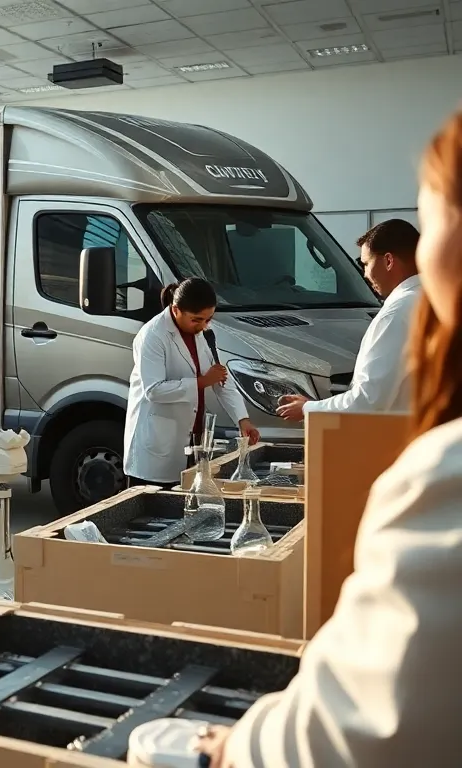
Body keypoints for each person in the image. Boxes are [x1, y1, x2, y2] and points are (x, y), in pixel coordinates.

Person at [197, 108, 462, 768]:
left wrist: (237, 745)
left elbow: (370, 718)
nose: (366, 273)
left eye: (435, 222)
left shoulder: (443, 480)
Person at [276, 219, 422, 421]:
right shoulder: (431, 302)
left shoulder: (396, 313)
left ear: (388, 261)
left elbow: (369, 399)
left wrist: (309, 408)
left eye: (366, 264)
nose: (365, 274)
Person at [123, 277, 258, 488]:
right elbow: (154, 390)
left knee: (188, 498)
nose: (203, 326)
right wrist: (201, 382)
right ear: (176, 310)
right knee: (156, 502)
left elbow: (220, 378)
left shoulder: (201, 334)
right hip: (156, 442)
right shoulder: (152, 335)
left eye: (208, 319)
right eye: (197, 320)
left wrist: (243, 419)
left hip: (193, 438)